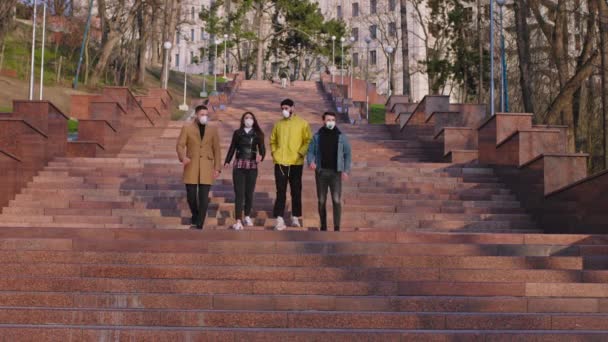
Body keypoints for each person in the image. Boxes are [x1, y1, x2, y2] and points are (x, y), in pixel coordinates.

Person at [176, 105, 222, 229]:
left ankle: (200, 222)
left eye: (206, 115)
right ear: (196, 115)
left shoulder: (212, 130)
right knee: (191, 196)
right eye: (202, 114)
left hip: (207, 166)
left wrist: (217, 167)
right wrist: (182, 157)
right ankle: (195, 215)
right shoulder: (187, 128)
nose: (204, 117)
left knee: (203, 197)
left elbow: (216, 149)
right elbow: (180, 145)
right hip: (191, 165)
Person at [270, 98, 312, 230]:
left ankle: (295, 216)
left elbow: (308, 140)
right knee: (280, 191)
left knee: (296, 190)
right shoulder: (278, 124)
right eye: (282, 108)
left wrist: (301, 153)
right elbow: (272, 141)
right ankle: (279, 218)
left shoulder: (303, 123)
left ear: (293, 108)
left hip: (295, 162)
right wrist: (274, 153)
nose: (284, 111)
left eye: (286, 108)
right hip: (281, 162)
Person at [307, 112, 352, 232]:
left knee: (336, 200)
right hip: (321, 172)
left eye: (333, 120)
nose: (330, 122)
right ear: (323, 121)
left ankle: (337, 226)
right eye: (328, 120)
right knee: (321, 200)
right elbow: (310, 151)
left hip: (336, 173)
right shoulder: (317, 136)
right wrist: (311, 161)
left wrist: (346, 170)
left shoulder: (341, 136)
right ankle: (323, 226)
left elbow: (347, 154)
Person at [224, 112, 266, 230]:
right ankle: (238, 220)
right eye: (246, 118)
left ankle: (247, 216)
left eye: (251, 118)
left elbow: (262, 149)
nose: (249, 120)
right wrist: (227, 161)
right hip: (239, 165)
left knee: (249, 193)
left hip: (252, 165)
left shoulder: (258, 134)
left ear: (254, 120)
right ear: (243, 120)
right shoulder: (237, 133)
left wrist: (261, 157)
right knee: (239, 194)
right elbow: (232, 147)